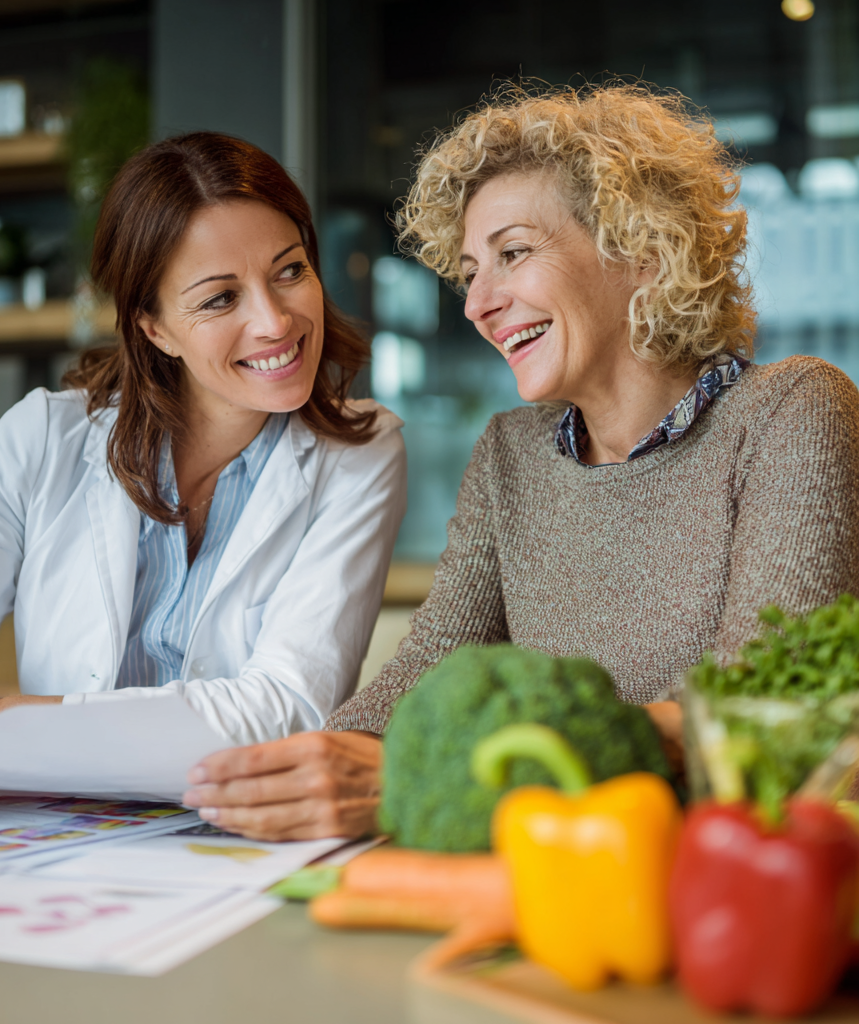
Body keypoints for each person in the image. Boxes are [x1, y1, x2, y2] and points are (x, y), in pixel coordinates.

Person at [177, 84, 859, 841]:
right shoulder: (512, 452)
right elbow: (427, 670)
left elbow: (760, 717)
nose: (478, 304)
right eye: (472, 271)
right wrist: (331, 758)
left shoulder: (790, 411)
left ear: (643, 248)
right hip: (553, 861)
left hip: (720, 872)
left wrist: (446, 769)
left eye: (513, 253)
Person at [0, 132, 406, 827]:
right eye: (220, 299)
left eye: (289, 271)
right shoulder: (43, 439)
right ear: (154, 327)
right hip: (51, 841)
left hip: (232, 842)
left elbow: (283, 715)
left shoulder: (362, 450)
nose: (275, 320)